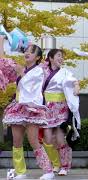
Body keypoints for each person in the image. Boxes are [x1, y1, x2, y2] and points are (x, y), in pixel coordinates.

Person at [0, 35, 55, 180]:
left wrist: (20, 74)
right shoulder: (20, 67)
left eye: (31, 51)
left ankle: (48, 171)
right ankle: (20, 172)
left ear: (38, 57)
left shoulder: (41, 69)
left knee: (33, 141)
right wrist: (2, 40)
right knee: (17, 141)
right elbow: (3, 62)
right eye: (27, 50)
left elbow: (29, 84)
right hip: (19, 107)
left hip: (32, 108)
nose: (27, 53)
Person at [41, 49, 80, 176]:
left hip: (60, 108)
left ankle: (64, 166)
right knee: (47, 139)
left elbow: (74, 80)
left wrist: (76, 87)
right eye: (58, 56)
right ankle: (55, 164)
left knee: (60, 139)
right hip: (46, 108)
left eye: (62, 57)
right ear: (50, 58)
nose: (61, 58)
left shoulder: (65, 72)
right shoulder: (42, 70)